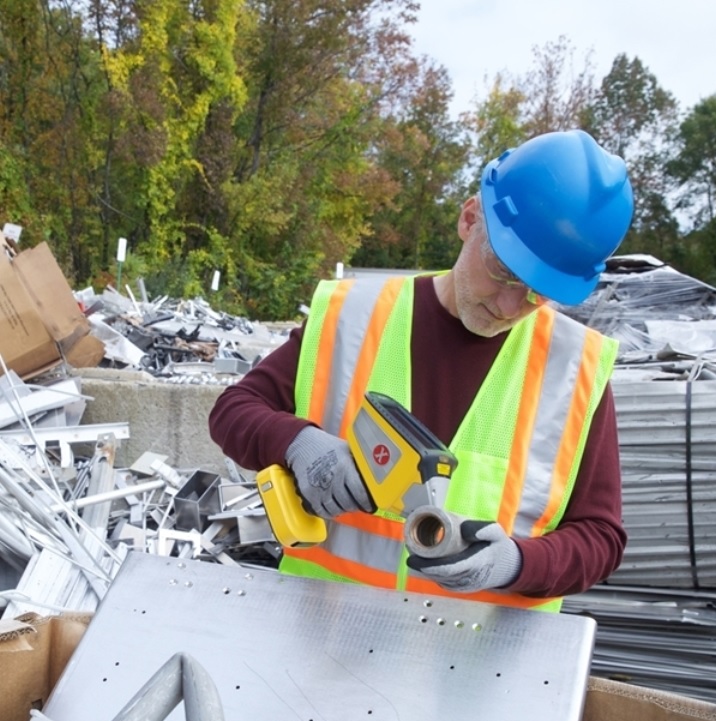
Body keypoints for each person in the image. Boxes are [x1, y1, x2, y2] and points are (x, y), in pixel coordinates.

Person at [209, 129, 634, 613]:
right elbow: (233, 410)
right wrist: (299, 444)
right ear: (469, 218)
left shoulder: (573, 368)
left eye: (538, 291)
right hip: (322, 643)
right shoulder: (352, 316)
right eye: (503, 271)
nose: (509, 304)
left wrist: (516, 564)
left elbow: (600, 537)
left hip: (474, 670)